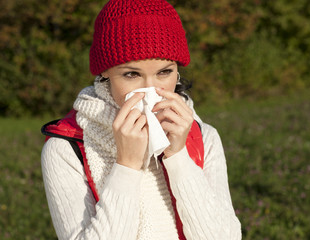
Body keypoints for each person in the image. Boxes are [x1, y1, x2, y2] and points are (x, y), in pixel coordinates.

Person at [40, 0, 242, 239]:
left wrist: (178, 157)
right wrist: (126, 166)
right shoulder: (66, 148)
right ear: (105, 71)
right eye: (132, 74)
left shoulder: (202, 136)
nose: (151, 90)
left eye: (164, 72)